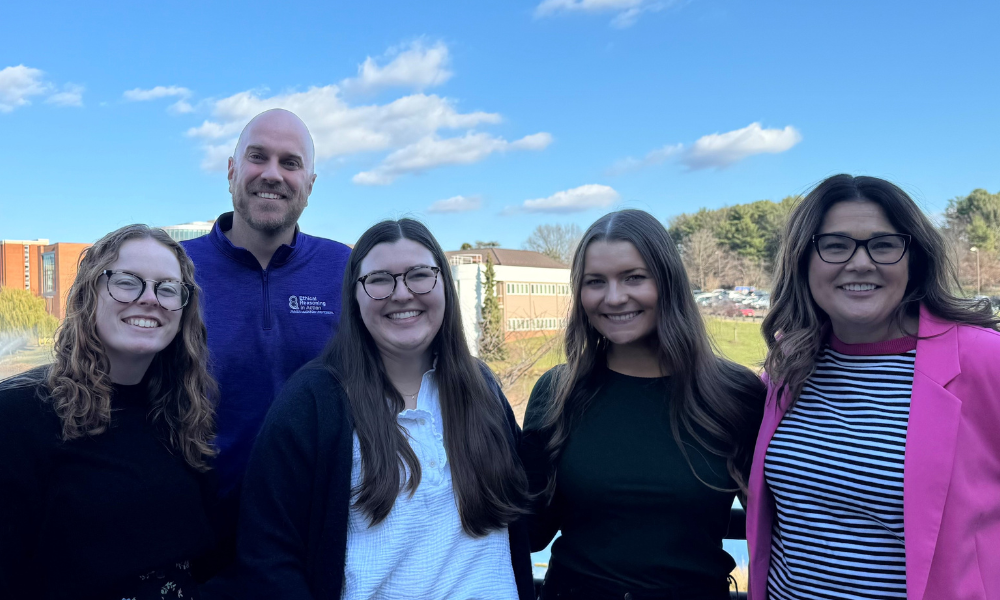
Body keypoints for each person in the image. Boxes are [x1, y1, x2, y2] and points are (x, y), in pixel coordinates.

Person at [234, 219, 535, 599]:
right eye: (379, 280)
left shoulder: (482, 388)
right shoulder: (313, 402)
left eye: (419, 275)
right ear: (354, 297)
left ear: (444, 283)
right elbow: (267, 555)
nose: (402, 293)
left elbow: (529, 515)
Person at [748, 174, 1000, 600]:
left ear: (912, 259)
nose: (860, 263)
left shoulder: (984, 359)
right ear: (804, 260)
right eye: (835, 245)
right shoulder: (788, 366)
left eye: (883, 244)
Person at [520, 209, 766, 600]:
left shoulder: (733, 393)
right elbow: (530, 531)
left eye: (634, 277)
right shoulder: (557, 393)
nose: (614, 297)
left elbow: (775, 524)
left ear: (667, 282)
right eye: (595, 282)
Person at [0, 225, 218, 600]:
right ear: (90, 294)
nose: (150, 299)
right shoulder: (18, 415)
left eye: (166, 288)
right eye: (127, 281)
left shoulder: (182, 414)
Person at [181, 108, 350, 498]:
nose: (272, 174)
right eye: (257, 156)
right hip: (197, 529)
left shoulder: (344, 268)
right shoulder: (174, 269)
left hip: (318, 524)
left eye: (290, 163)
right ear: (230, 171)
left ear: (310, 183)